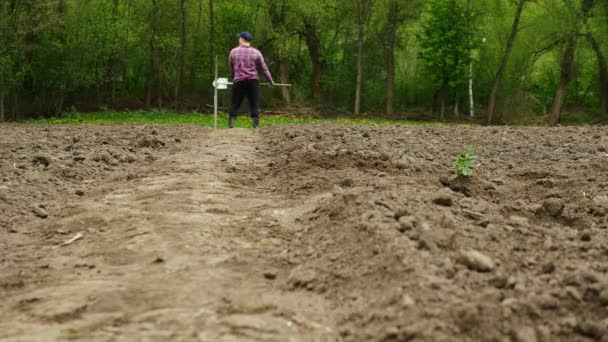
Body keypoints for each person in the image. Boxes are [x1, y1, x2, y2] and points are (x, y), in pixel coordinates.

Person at [228, 32, 274, 129]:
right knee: (254, 104)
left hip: (239, 81)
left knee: (235, 103)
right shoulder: (256, 52)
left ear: (241, 39)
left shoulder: (233, 52)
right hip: (252, 81)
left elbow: (232, 68)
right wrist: (270, 80)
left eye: (239, 38)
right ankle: (255, 125)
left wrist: (234, 78)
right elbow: (264, 68)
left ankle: (231, 123)